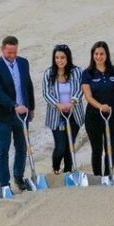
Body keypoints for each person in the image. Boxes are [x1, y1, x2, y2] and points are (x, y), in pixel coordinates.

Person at [0, 36, 35, 192]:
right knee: (3, 150)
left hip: (22, 114)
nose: (12, 56)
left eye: (15, 52)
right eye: (9, 53)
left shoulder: (23, 63)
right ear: (2, 49)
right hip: (3, 116)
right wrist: (14, 106)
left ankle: (19, 177)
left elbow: (28, 85)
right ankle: (4, 183)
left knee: (22, 147)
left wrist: (31, 108)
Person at [81, 41, 114, 177]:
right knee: (97, 149)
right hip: (94, 117)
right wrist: (101, 107)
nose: (99, 57)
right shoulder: (87, 73)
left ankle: (108, 175)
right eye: (96, 54)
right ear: (92, 55)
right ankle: (98, 178)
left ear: (106, 55)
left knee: (110, 147)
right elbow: (88, 96)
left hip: (112, 115)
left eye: (102, 54)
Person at [41, 43, 85, 174]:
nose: (59, 60)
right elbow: (46, 93)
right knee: (60, 146)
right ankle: (55, 168)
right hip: (57, 115)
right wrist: (58, 104)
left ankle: (68, 171)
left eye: (62, 57)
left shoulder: (77, 71)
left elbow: (81, 89)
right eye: (57, 58)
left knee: (70, 145)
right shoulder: (49, 73)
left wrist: (73, 101)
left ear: (68, 58)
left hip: (74, 113)